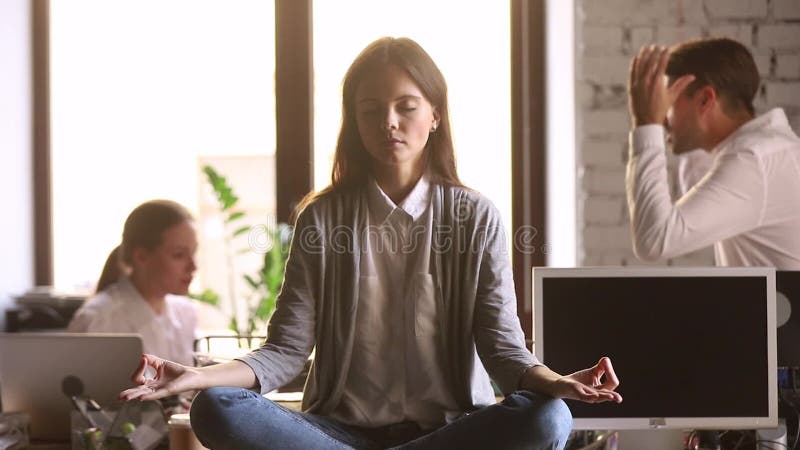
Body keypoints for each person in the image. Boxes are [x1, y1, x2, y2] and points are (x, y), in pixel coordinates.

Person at [120, 37, 622, 450]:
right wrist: (196, 377)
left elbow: (504, 351)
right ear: (355, 124)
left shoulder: (476, 216)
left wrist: (555, 381)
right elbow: (284, 353)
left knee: (549, 419)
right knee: (216, 408)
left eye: (406, 107)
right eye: (371, 110)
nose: (389, 122)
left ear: (435, 116)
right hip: (337, 434)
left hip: (447, 433)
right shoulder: (322, 218)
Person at [625, 37, 800, 269]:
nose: (662, 117)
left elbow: (655, 240)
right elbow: (689, 210)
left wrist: (646, 123)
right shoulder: (761, 149)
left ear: (706, 99)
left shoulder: (753, 160)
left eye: (667, 103)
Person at [68, 199, 198, 367]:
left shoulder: (185, 313)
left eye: (194, 253)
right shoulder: (98, 322)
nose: (193, 266)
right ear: (141, 257)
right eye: (179, 255)